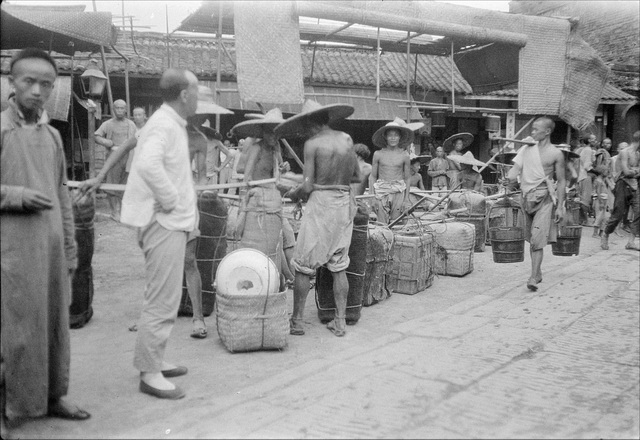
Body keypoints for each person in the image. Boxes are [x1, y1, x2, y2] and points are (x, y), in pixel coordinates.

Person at [77, 86, 224, 340]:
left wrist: (202, 191)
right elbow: (124, 147)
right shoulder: (158, 129)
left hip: (184, 204)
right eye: (195, 113)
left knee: (189, 260)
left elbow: (200, 176)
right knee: (156, 262)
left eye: (202, 115)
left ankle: (198, 319)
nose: (197, 118)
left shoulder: (199, 139)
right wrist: (100, 175)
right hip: (157, 204)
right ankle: (149, 315)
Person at [1, 48, 90, 429]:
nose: (38, 91)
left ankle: (52, 397)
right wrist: (16, 196)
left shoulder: (53, 135)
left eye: (46, 84)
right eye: (29, 81)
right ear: (11, 83)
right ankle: (11, 407)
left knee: (55, 326)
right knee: (16, 330)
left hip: (52, 250)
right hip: (13, 251)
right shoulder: (2, 131)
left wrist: (70, 248)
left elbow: (62, 196)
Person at [120, 68, 199, 400]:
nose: (199, 97)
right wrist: (170, 199)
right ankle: (149, 373)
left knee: (164, 296)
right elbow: (147, 165)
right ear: (184, 95)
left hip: (171, 221)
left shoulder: (169, 123)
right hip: (163, 222)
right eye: (197, 91)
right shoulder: (164, 125)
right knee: (162, 299)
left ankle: (154, 359)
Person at [274, 100, 360, 337]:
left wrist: (293, 193)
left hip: (322, 205)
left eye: (304, 126)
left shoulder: (312, 144)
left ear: (311, 123)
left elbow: (309, 185)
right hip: (343, 203)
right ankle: (340, 321)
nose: (302, 131)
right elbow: (356, 175)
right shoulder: (346, 139)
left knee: (303, 265)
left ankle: (297, 321)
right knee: (339, 264)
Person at [230, 108, 296, 283]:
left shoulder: (276, 148)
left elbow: (279, 170)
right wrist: (246, 202)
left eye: (276, 134)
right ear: (263, 133)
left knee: (278, 241)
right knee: (257, 245)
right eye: (270, 133)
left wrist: (284, 168)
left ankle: (282, 278)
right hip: (258, 197)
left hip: (274, 198)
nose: (274, 137)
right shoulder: (256, 147)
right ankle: (278, 277)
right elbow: (246, 175)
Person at [503, 117, 565, 292]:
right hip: (526, 197)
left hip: (544, 198)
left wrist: (560, 206)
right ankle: (537, 273)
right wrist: (510, 177)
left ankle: (532, 277)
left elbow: (561, 181)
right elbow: (515, 170)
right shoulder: (526, 149)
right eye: (532, 129)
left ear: (547, 131)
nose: (532, 132)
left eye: (536, 129)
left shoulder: (555, 153)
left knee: (537, 239)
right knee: (531, 239)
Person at [94, 99, 137, 221]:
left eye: (122, 108)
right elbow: (96, 135)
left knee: (125, 184)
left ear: (126, 110)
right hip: (114, 156)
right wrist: (106, 142)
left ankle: (123, 211)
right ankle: (114, 212)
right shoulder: (108, 124)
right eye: (117, 108)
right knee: (112, 184)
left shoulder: (131, 124)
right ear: (113, 109)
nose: (120, 110)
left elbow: (137, 139)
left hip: (128, 156)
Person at [601, 130, 640, 251]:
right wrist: (635, 171)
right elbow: (626, 172)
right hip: (622, 184)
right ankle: (605, 233)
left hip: (634, 185)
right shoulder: (624, 152)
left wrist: (633, 171)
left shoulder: (638, 154)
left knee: (639, 212)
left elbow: (631, 171)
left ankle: (631, 242)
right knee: (618, 214)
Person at [369, 119, 414, 224]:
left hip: (398, 190)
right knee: (381, 223)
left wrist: (406, 199)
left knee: (396, 222)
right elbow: (373, 176)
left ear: (400, 137)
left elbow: (407, 178)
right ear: (385, 137)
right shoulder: (378, 154)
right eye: (390, 135)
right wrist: (372, 197)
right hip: (381, 190)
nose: (393, 138)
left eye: (396, 135)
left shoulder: (405, 155)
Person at [574, 134, 597, 225]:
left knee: (582, 197)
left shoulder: (583, 150)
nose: (595, 141)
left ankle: (582, 219)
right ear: (589, 141)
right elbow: (587, 166)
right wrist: (598, 171)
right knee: (585, 199)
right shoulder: (588, 150)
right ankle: (584, 220)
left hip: (581, 176)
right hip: (585, 176)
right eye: (593, 139)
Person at [124, 106, 147, 181]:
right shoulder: (130, 127)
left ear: (144, 116)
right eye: (135, 115)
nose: (137, 117)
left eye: (139, 115)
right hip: (132, 155)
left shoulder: (148, 127)